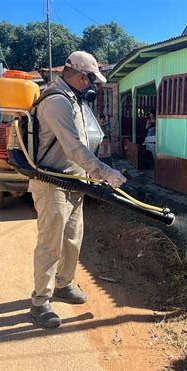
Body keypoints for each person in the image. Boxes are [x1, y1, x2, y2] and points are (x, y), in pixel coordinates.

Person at [29, 51, 127, 328]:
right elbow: (74, 148)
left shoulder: (73, 98)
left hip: (74, 182)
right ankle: (39, 301)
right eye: (91, 80)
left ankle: (63, 284)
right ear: (81, 76)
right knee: (51, 244)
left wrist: (90, 177)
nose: (92, 85)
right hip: (52, 183)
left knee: (73, 239)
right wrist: (105, 173)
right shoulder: (56, 101)